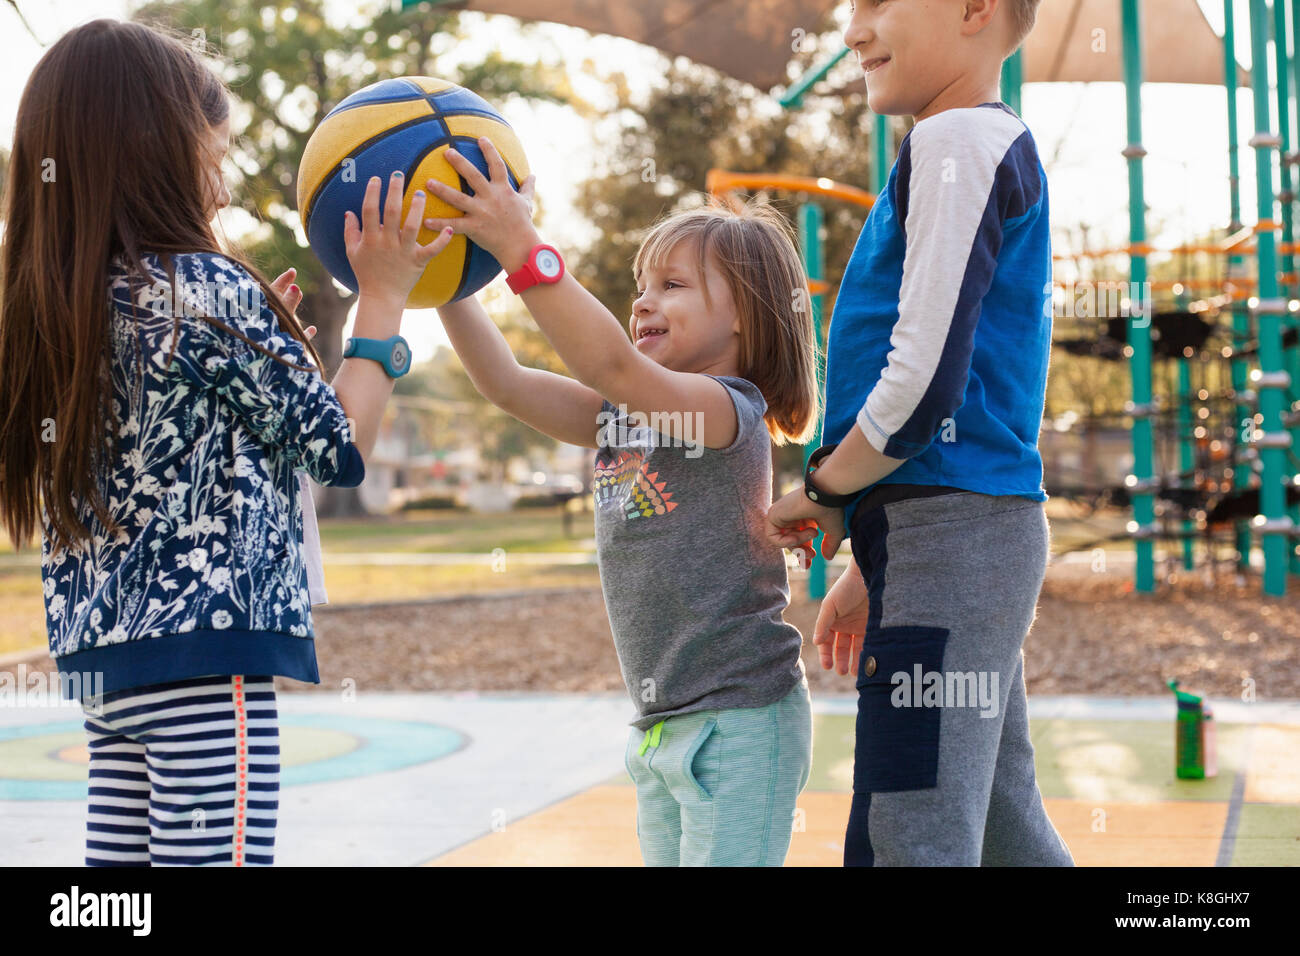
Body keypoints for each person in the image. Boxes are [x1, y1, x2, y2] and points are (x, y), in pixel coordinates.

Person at [0, 19, 453, 865]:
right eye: (213, 154)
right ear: (158, 151)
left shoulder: (51, 308)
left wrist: (276, 358)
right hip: (205, 659)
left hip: (105, 664)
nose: (221, 181)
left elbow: (186, 436)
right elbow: (337, 448)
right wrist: (384, 306)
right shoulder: (208, 290)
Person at [428, 145, 820, 865]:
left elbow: (611, 363)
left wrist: (522, 245)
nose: (643, 300)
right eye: (641, 285)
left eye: (671, 284)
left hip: (741, 721)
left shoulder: (725, 411)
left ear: (745, 320)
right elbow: (506, 383)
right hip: (661, 725)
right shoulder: (620, 416)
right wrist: (445, 281)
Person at [766, 0, 1074, 866]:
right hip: (952, 535)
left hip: (954, 538)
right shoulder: (967, 143)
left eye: (875, 3)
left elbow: (925, 380)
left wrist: (829, 489)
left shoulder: (956, 146)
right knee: (1001, 827)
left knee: (911, 834)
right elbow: (958, 387)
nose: (851, 27)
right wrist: (875, 551)